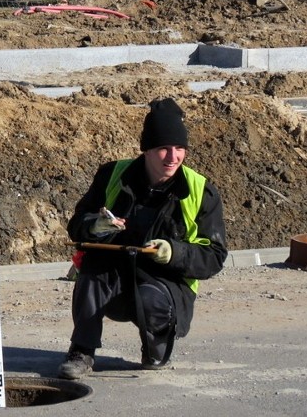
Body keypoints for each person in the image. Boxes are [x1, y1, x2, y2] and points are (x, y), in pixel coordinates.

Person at [59, 97, 228, 380]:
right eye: (164, 149)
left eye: (179, 149)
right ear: (147, 149)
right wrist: (96, 226)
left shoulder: (201, 190)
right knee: (90, 273)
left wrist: (173, 252)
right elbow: (76, 225)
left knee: (152, 302)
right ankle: (82, 351)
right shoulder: (112, 174)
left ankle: (156, 348)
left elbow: (215, 256)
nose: (172, 157)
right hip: (113, 278)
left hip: (165, 283)